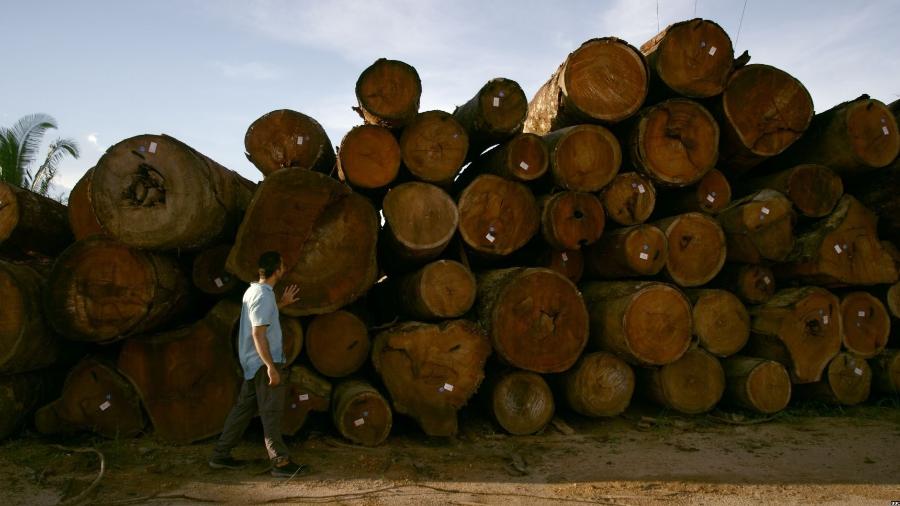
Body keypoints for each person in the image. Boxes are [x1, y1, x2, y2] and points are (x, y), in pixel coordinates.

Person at [208, 251, 305, 478]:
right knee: (271, 411)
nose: (284, 268)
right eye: (282, 265)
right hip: (263, 363)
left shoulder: (255, 292)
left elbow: (262, 318)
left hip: (253, 363)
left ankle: (220, 455)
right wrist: (271, 366)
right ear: (276, 270)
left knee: (242, 411)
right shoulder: (262, 296)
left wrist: (281, 304)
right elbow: (258, 333)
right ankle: (280, 462)